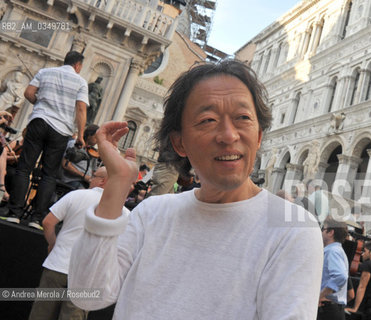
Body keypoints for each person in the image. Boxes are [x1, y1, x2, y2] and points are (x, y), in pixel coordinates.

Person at [69, 60, 323, 319]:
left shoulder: (292, 229)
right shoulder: (152, 213)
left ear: (258, 136)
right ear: (179, 143)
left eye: (243, 118)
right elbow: (88, 293)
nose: (228, 135)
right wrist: (116, 185)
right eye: (208, 120)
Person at [3, 51, 88, 230]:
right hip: (61, 130)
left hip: (39, 121)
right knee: (49, 174)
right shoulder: (80, 82)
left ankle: (14, 213)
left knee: (24, 168)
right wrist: (80, 135)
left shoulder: (45, 72)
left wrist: (41, 103)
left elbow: (28, 93)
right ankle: (37, 217)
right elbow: (81, 109)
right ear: (78, 66)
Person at [28, 167, 109, 320]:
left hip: (57, 264)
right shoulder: (120, 210)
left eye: (94, 176)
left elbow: (48, 222)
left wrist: (52, 244)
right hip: (87, 274)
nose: (90, 179)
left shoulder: (76, 195)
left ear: (102, 181)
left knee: (40, 315)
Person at [318, 216, 349, 320]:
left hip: (327, 309)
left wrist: (321, 296)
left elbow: (341, 276)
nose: (321, 232)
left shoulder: (333, 251)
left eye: (323, 229)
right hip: (332, 309)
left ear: (331, 232)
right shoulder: (338, 250)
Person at [61, 124, 99, 190]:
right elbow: (65, 165)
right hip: (71, 180)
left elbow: (94, 171)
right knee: (84, 195)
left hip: (86, 183)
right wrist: (84, 176)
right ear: (89, 135)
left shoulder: (94, 152)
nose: (98, 141)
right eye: (96, 138)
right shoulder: (74, 144)